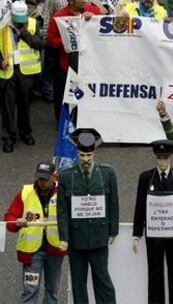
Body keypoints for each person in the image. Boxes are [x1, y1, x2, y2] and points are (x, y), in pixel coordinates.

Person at [57, 128, 119, 304]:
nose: (85, 159)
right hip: (76, 240)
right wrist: (64, 237)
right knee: (78, 284)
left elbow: (113, 202)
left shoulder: (108, 173)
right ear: (77, 153)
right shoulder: (66, 176)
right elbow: (61, 209)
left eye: (89, 155)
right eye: (82, 155)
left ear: (94, 153)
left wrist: (112, 230)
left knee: (103, 282)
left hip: (99, 238)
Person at [132, 139, 173, 304]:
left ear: (170, 158)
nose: (162, 162)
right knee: (154, 273)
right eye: (159, 158)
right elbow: (140, 205)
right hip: (154, 235)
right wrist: (136, 233)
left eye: (165, 158)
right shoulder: (146, 178)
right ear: (156, 158)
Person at [4, 161, 66, 304]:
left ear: (54, 177)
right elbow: (10, 218)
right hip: (32, 254)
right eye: (40, 178)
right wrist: (17, 222)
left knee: (52, 289)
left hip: (55, 251)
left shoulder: (63, 193)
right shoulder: (25, 193)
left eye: (46, 178)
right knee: (30, 289)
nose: (42, 182)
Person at [0, 0, 45, 153]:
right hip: (8, 71)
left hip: (26, 71)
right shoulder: (2, 24)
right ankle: (8, 138)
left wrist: (24, 32)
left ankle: (25, 132)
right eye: (17, 21)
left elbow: (40, 44)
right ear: (11, 15)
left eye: (22, 20)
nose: (20, 23)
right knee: (7, 106)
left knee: (24, 105)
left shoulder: (32, 23)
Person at [47, 0, 101, 122]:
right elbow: (50, 40)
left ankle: (84, 121)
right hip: (65, 64)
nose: (84, 1)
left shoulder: (94, 11)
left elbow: (104, 32)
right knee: (62, 95)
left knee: (86, 93)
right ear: (70, 1)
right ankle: (62, 123)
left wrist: (95, 20)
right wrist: (67, 41)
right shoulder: (59, 16)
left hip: (89, 64)